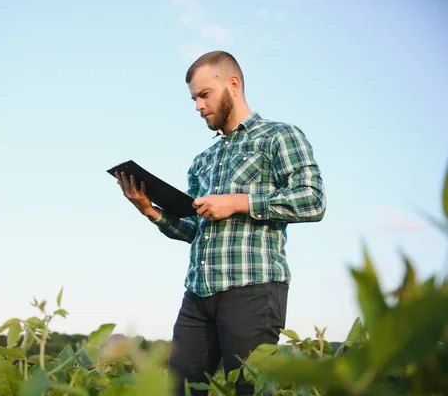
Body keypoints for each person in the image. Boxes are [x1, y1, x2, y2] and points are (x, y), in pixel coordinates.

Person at [114, 50, 326, 395]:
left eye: (204, 94)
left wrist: (238, 202)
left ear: (233, 84)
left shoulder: (278, 137)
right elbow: (195, 231)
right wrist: (150, 211)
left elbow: (313, 200)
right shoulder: (203, 160)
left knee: (250, 389)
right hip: (198, 293)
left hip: (252, 289)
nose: (198, 106)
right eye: (194, 98)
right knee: (177, 389)